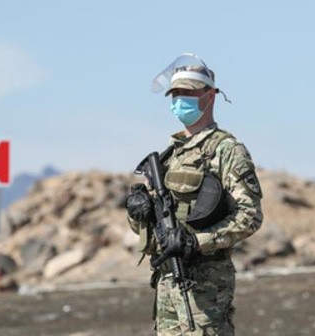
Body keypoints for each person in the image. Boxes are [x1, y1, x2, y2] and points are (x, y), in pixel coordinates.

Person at [125, 53, 263, 335]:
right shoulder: (170, 155)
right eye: (175, 94)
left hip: (206, 290)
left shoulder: (226, 150)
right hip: (167, 283)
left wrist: (197, 242)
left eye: (188, 93)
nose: (180, 100)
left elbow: (249, 215)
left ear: (210, 96)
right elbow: (155, 232)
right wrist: (139, 216)